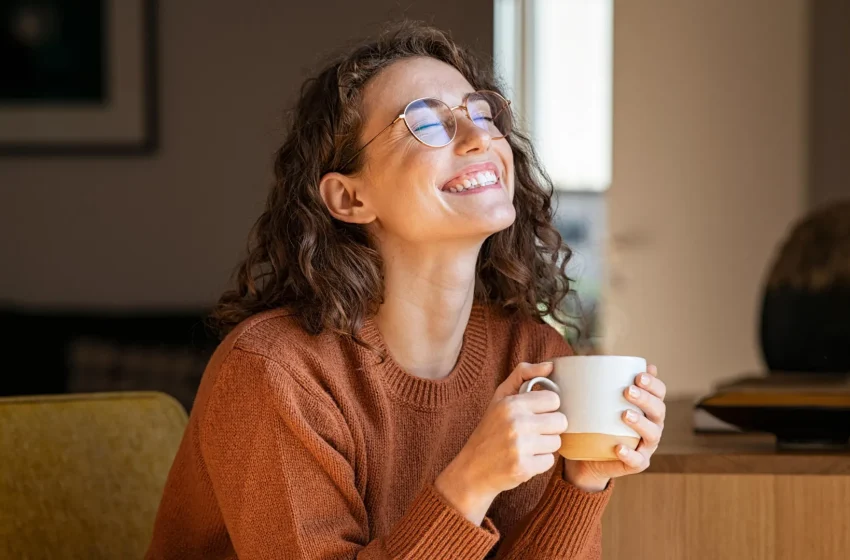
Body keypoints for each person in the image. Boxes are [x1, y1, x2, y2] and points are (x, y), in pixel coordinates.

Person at [145, 23, 667, 560]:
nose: (479, 137)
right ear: (349, 198)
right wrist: (469, 483)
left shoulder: (532, 357)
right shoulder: (275, 373)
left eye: (481, 112)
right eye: (425, 123)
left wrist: (582, 483)